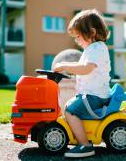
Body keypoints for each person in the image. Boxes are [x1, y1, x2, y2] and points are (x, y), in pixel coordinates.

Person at [53, 9, 111, 158]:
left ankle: (85, 145)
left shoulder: (97, 49)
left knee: (71, 111)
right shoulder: (92, 49)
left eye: (78, 36)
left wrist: (65, 65)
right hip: (91, 95)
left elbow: (85, 69)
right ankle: (79, 136)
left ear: (91, 33)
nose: (76, 40)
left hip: (95, 97)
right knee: (67, 106)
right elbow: (82, 68)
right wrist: (68, 70)